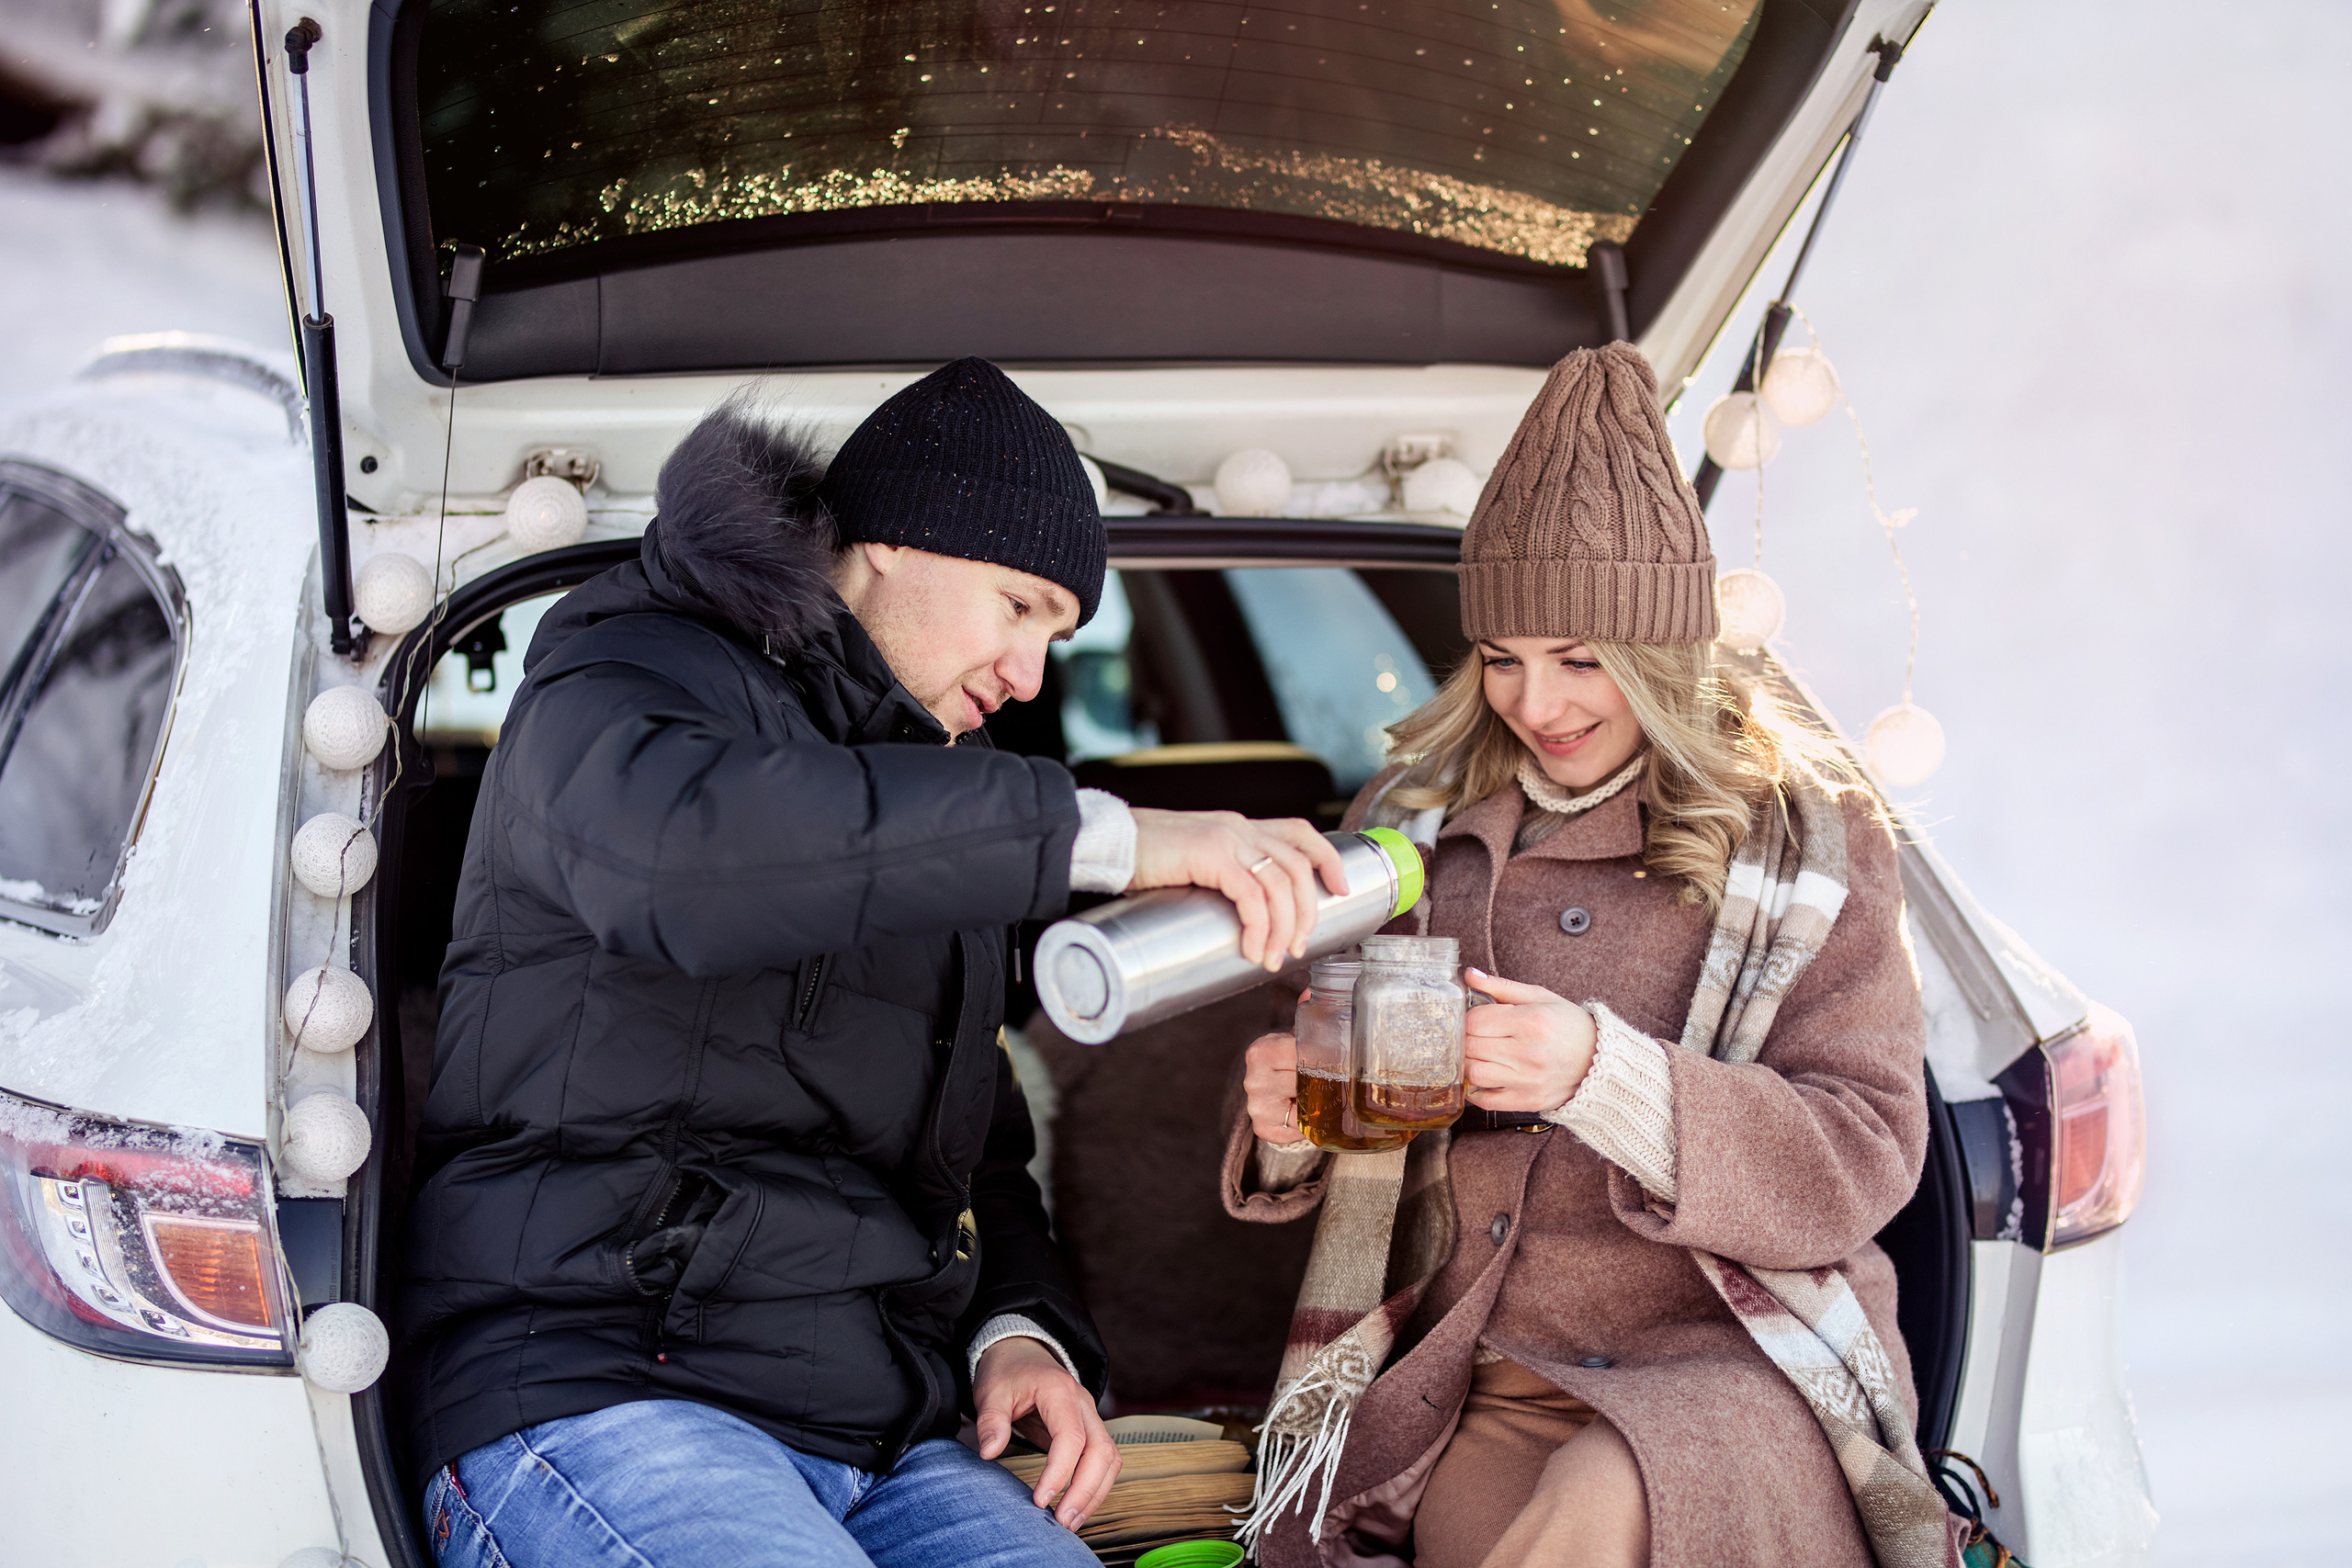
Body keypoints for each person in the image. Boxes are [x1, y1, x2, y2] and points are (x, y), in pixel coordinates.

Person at [396, 358, 1345, 1568]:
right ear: (893, 547)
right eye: (1019, 608)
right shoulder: (627, 669)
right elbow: (685, 865)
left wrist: (1024, 1330)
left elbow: (974, 1149)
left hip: (882, 1440)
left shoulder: (936, 804)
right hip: (597, 1383)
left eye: (1058, 636)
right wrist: (1114, 835)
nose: (1029, 677)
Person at [1225, 344, 1959, 1568]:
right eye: (1502, 658)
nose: (1535, 700)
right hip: (1488, 1376)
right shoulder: (1407, 825)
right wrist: (1294, 1123)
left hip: (1743, 1364)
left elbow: (1866, 1151)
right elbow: (1349, 1099)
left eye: (1579, 660)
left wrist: (1604, 1077)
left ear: (1663, 653)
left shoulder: (1810, 843)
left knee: (1600, 1513)